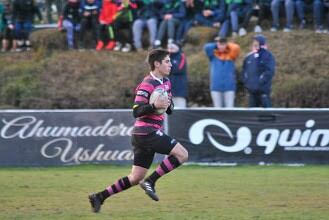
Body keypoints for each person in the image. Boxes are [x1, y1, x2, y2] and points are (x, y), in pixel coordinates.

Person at [88, 49, 188, 213]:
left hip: (144, 135)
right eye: (167, 61)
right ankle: (151, 181)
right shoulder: (147, 83)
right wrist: (154, 106)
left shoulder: (166, 82)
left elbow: (169, 109)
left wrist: (168, 105)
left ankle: (99, 196)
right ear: (157, 64)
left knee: (135, 178)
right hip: (147, 132)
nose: (171, 64)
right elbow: (136, 111)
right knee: (182, 154)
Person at [204, 37, 240, 108]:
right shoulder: (213, 56)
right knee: (217, 110)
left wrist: (227, 43)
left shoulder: (231, 55)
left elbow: (236, 47)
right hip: (215, 88)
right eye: (219, 44)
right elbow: (207, 47)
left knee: (230, 109)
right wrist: (216, 44)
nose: (221, 46)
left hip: (229, 88)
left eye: (223, 44)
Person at [241, 35, 275, 108]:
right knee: (252, 115)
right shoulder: (249, 56)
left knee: (267, 114)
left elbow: (269, 71)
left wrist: (260, 81)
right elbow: (244, 71)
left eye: (256, 41)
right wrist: (246, 82)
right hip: (251, 92)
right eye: (254, 41)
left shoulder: (268, 55)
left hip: (263, 92)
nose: (254, 43)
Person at [168, 43, 188, 108]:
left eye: (172, 48)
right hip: (168, 90)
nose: (170, 50)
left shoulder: (181, 56)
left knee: (181, 111)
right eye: (169, 48)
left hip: (180, 89)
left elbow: (178, 69)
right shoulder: (166, 57)